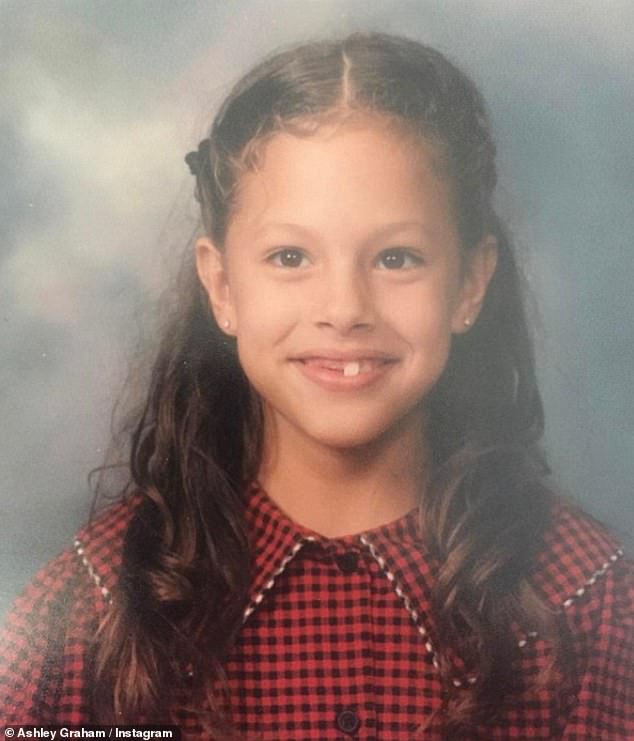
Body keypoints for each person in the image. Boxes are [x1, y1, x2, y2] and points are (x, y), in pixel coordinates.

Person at [0, 32, 631, 740]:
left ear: (470, 284)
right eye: (290, 255)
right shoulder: (92, 607)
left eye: (397, 257)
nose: (344, 308)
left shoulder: (585, 603)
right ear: (222, 285)